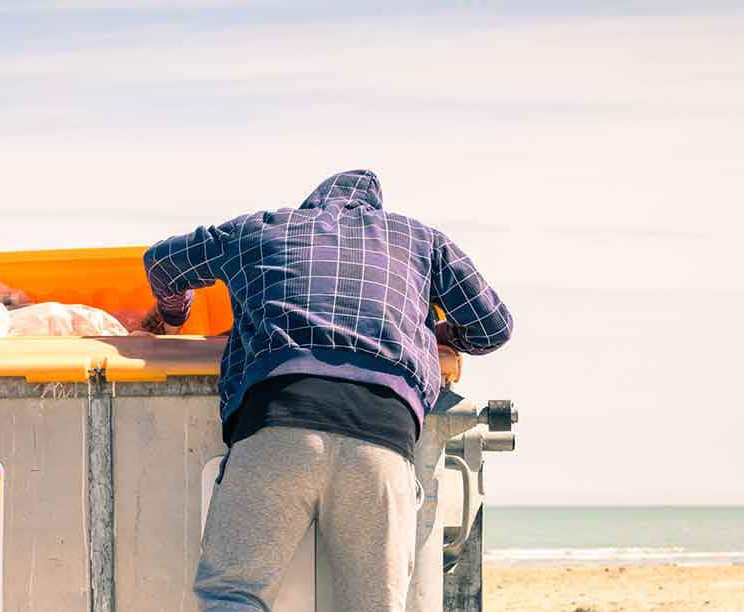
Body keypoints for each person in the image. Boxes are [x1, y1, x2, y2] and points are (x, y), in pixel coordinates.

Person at [142, 169, 512, 612]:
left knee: (233, 595)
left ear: (312, 203)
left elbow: (162, 264)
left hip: (278, 420)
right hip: (382, 437)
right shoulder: (422, 241)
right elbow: (492, 327)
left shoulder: (260, 229)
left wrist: (174, 318)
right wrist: (434, 333)